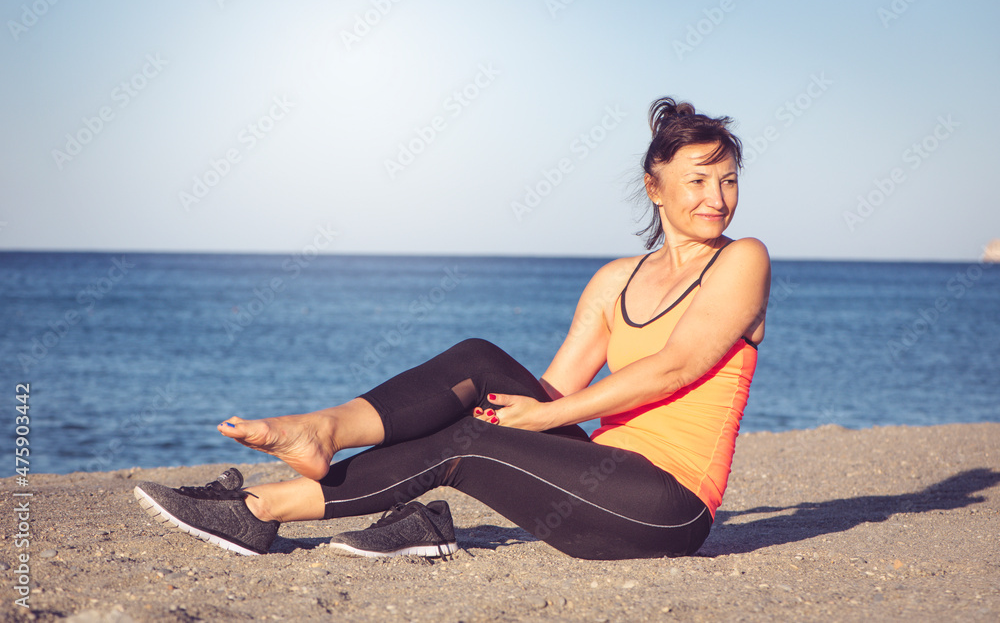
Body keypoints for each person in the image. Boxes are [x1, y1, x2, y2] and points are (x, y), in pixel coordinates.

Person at [134, 97, 770, 561]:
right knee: (478, 363)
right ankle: (326, 432)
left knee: (469, 437)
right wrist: (524, 413)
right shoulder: (616, 280)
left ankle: (260, 510)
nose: (716, 196)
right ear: (654, 188)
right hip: (593, 477)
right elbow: (551, 390)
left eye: (727, 179)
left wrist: (542, 420)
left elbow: (676, 366)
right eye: (697, 179)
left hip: (665, 506)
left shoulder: (743, 260)